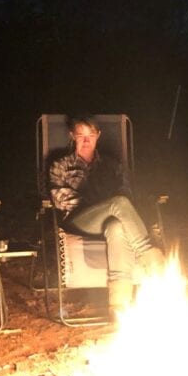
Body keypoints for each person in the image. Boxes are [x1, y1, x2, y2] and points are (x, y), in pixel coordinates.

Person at [48, 114, 165, 317]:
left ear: (98, 136)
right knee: (118, 204)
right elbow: (61, 200)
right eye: (81, 135)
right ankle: (151, 259)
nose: (86, 141)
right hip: (79, 220)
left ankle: (118, 305)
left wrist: (109, 206)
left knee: (117, 227)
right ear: (71, 136)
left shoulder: (111, 165)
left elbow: (127, 192)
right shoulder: (61, 165)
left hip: (112, 217)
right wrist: (103, 204)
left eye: (91, 135)